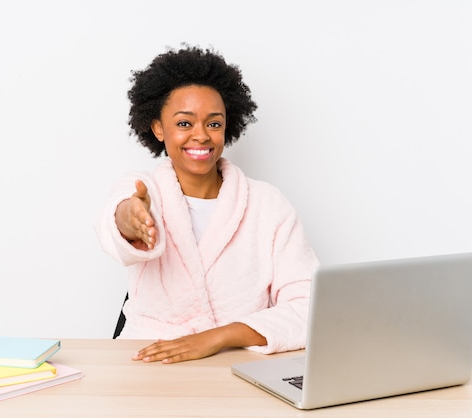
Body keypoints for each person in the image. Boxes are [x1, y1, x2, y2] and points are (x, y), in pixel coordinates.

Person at [95, 45, 319, 364]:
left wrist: (219, 337)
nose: (201, 136)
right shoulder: (143, 190)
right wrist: (133, 220)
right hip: (149, 359)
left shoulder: (268, 206)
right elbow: (116, 222)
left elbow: (310, 307)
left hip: (240, 361)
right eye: (184, 124)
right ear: (158, 127)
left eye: (213, 124)